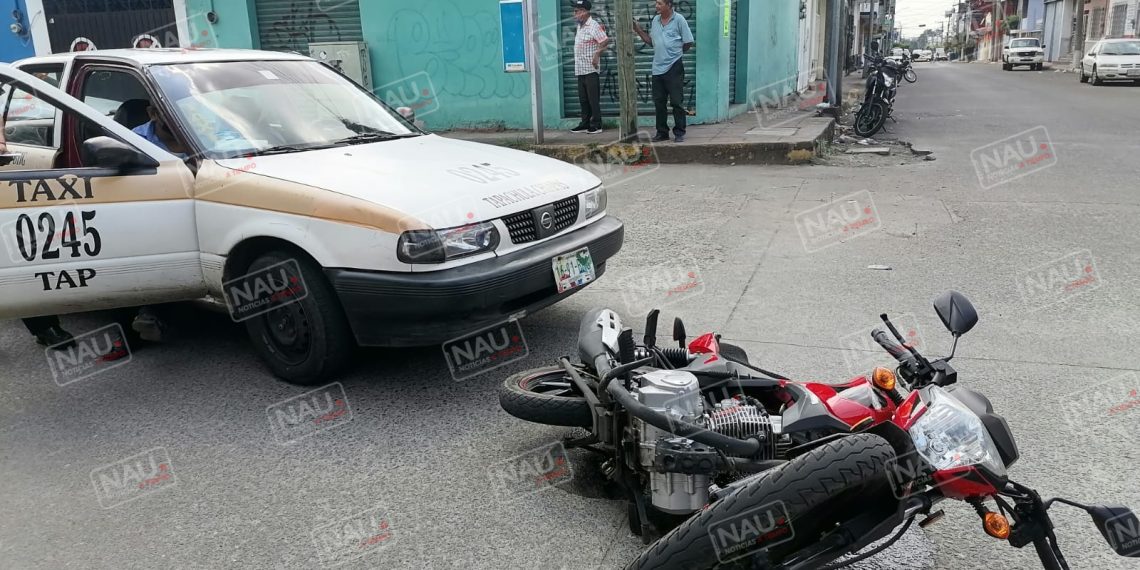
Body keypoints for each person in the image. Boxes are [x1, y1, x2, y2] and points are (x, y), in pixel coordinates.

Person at [633, 0, 693, 143]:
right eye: (656, 3)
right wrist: (639, 30)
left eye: (659, 3)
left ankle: (679, 132)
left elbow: (688, 41)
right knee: (659, 102)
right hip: (657, 68)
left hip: (674, 66)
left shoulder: (679, 20)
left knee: (676, 101)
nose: (656, 6)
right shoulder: (655, 20)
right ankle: (662, 132)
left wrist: (675, 55)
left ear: (669, 4)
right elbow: (651, 42)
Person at [569, 0, 610, 135]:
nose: (574, 14)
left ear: (585, 12)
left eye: (577, 11)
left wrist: (597, 54)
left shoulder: (593, 25)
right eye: (574, 11)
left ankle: (597, 124)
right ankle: (585, 123)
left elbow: (605, 40)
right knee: (583, 99)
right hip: (580, 70)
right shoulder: (580, 26)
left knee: (593, 99)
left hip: (591, 70)